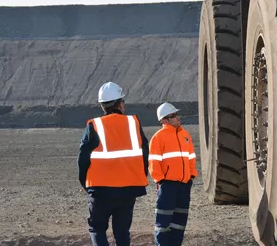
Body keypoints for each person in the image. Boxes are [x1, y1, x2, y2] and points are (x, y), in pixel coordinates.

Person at [77, 82, 149, 246]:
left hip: (100, 191)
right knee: (122, 233)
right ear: (120, 103)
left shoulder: (94, 126)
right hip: (128, 190)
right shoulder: (133, 123)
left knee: (97, 228)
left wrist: (85, 183)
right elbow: (145, 152)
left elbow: (82, 158)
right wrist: (139, 176)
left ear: (103, 106)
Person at [148, 102, 198, 246]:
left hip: (184, 185)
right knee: (163, 223)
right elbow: (154, 162)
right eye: (173, 115)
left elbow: (191, 157)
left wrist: (191, 176)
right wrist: (161, 180)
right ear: (164, 120)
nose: (177, 117)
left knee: (179, 223)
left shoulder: (185, 135)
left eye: (177, 114)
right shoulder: (158, 137)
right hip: (168, 186)